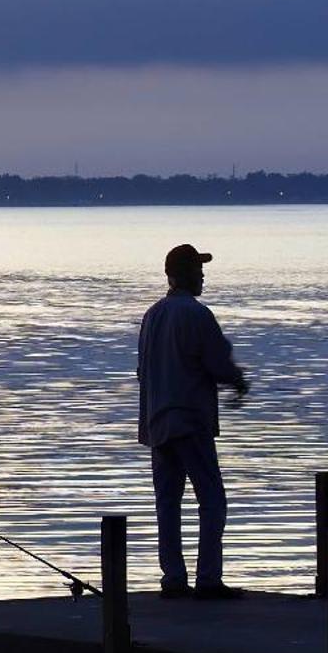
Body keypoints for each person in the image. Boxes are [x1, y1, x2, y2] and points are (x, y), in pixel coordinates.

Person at [137, 243, 249, 599]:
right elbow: (217, 363)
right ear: (184, 274)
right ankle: (208, 579)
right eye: (198, 270)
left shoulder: (152, 315)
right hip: (189, 420)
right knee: (212, 499)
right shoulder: (197, 314)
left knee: (167, 503)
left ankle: (173, 579)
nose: (203, 275)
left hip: (157, 422)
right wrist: (238, 381)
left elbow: (142, 371)